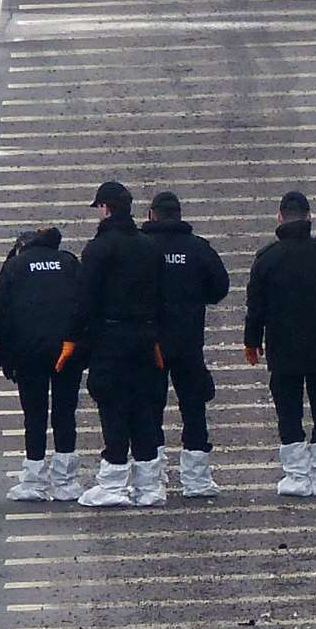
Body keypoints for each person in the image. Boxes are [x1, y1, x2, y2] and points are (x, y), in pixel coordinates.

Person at [59, 181, 166, 507]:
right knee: (144, 408)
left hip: (110, 339)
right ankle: (149, 485)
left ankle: (114, 482)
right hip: (145, 338)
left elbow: (85, 299)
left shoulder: (99, 249)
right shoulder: (149, 246)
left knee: (114, 407)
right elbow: (161, 296)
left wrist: (71, 338)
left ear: (105, 208)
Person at [243, 191, 316, 497]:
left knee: (288, 408)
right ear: (309, 218)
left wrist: (252, 342)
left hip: (283, 348)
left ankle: (296, 476)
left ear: (279, 217)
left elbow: (256, 307)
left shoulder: (267, 259)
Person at [141, 191, 230, 497]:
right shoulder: (197, 248)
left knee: (150, 408)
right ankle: (197, 479)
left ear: (152, 215)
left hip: (150, 344)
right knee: (194, 407)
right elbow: (220, 287)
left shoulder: (141, 247)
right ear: (178, 215)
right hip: (189, 341)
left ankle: (152, 479)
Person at [0, 228, 85, 501]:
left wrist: (6, 358)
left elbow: (3, 315)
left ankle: (34, 480)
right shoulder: (68, 262)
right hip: (66, 352)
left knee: (34, 415)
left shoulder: (15, 267)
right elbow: (84, 305)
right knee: (65, 412)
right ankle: (66, 482)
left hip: (28, 352)